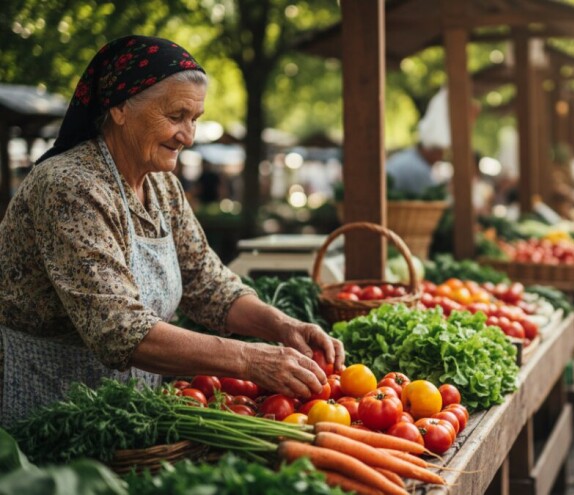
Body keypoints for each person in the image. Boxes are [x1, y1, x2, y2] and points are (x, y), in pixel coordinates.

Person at [0, 36, 344, 425]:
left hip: (125, 408)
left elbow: (207, 283)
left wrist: (282, 326)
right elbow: (117, 328)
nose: (189, 136)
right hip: (47, 409)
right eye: (176, 116)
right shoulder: (70, 186)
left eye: (194, 119)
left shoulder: (162, 186)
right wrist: (248, 358)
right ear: (119, 107)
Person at [386, 87, 451, 196]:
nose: (440, 158)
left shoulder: (409, 157)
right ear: (428, 150)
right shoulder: (418, 168)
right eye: (439, 153)